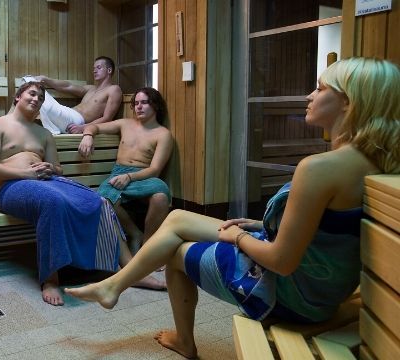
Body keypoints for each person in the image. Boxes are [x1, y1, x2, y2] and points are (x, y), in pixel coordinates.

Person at [66, 57, 400, 358]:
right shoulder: (377, 162)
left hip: (295, 295)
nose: (310, 96)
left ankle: (172, 332)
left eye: (320, 88)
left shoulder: (320, 168)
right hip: (325, 287)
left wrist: (238, 237)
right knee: (178, 218)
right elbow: (329, 231)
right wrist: (256, 224)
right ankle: (115, 285)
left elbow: (282, 262)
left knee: (174, 251)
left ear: (348, 103)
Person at [0, 81, 124, 306]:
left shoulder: (44, 133)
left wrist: (50, 168)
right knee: (53, 202)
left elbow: (58, 169)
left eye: (40, 98)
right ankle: (50, 278)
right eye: (32, 94)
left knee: (98, 200)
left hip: (48, 181)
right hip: (12, 187)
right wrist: (25, 173)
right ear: (18, 97)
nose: (36, 99)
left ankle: (128, 269)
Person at [79, 87, 172, 290]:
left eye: (144, 102)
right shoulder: (125, 124)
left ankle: (148, 246)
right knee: (104, 197)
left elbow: (155, 169)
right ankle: (134, 233)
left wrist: (130, 176)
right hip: (119, 173)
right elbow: (96, 127)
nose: (138, 106)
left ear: (155, 105)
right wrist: (87, 134)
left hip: (143, 175)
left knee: (161, 195)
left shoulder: (163, 134)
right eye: (136, 103)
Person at [25, 56, 122, 134]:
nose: (94, 71)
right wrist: (46, 79)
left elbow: (107, 118)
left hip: (77, 122)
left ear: (109, 70)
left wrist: (83, 127)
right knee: (28, 85)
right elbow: (67, 86)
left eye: (99, 67)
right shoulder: (91, 89)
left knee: (33, 91)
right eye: (94, 68)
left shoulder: (114, 90)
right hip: (67, 115)